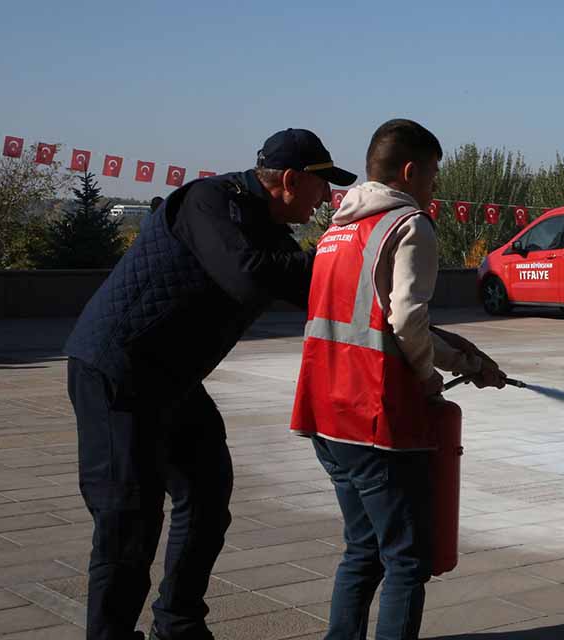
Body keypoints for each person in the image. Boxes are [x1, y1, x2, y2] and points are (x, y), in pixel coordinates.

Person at [63, 129, 356, 640]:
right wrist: (324, 258)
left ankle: (178, 623)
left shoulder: (267, 230)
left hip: (170, 379)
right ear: (288, 181)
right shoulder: (209, 201)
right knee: (128, 519)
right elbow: (247, 277)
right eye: (321, 186)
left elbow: (318, 290)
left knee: (207, 490)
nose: (326, 200)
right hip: (118, 371)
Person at [290, 119, 505, 640]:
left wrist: (466, 360)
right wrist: (431, 376)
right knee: (407, 560)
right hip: (373, 417)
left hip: (323, 413)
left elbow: (376, 317)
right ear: (410, 171)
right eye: (432, 176)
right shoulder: (408, 225)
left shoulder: (338, 228)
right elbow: (407, 320)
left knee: (362, 549)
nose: (434, 189)